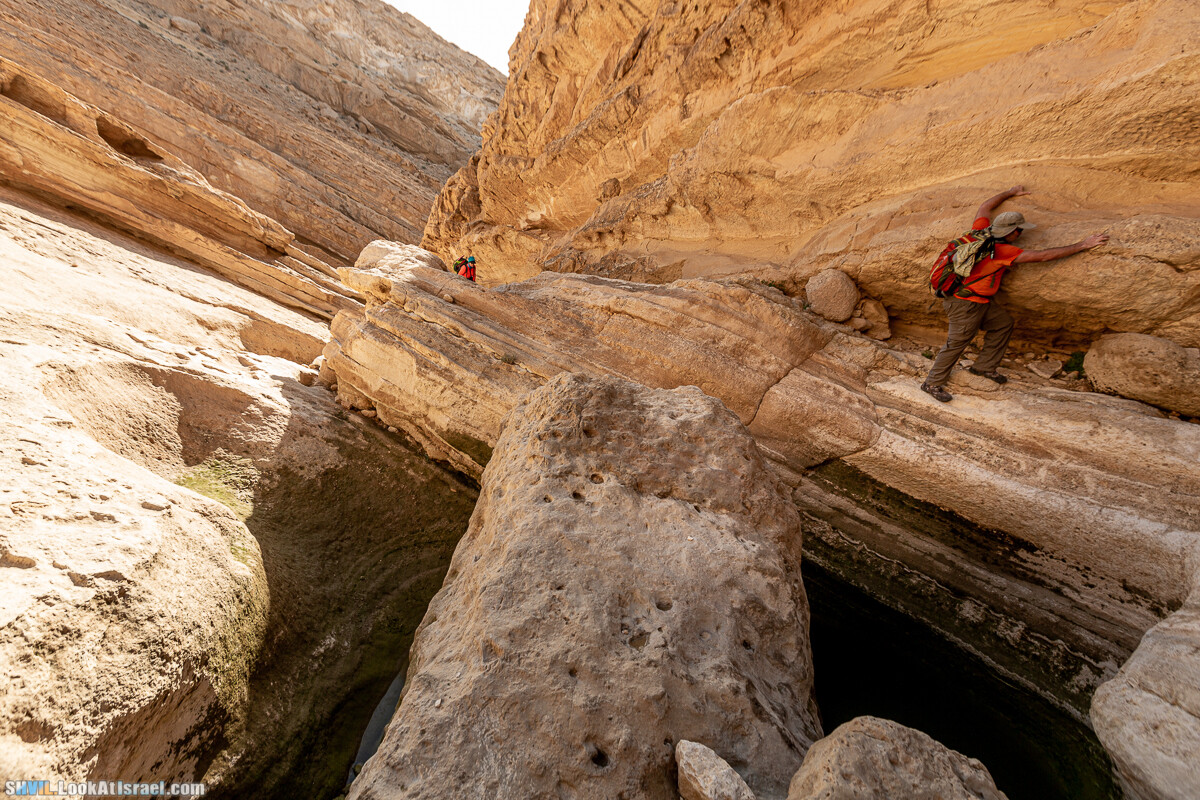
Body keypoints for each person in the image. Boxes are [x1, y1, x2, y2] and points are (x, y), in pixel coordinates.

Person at [921, 186, 1109, 402]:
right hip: (964, 304)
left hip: (980, 302)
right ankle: (932, 383)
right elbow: (1043, 256)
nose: (1021, 233)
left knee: (1003, 324)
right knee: (956, 344)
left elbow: (985, 207)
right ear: (1012, 232)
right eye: (1020, 230)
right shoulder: (1001, 251)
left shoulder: (978, 231)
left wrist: (1011, 192)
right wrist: (1082, 245)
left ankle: (982, 368)